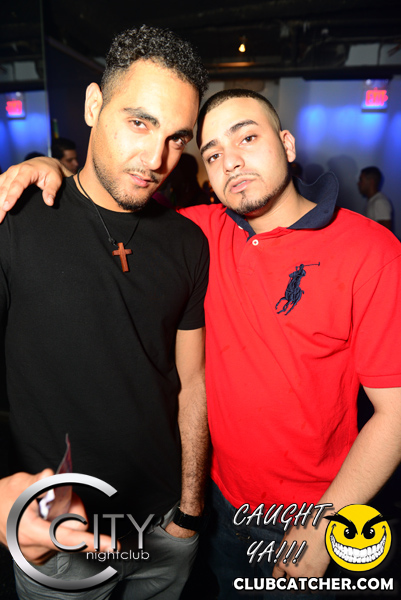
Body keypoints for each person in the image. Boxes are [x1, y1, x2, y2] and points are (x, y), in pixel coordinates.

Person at [2, 90, 401, 599]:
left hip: (315, 511)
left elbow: (395, 414)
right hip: (221, 505)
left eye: (247, 138)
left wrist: (325, 526)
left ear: (287, 144)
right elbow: (110, 202)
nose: (230, 162)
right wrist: (47, 170)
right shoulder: (201, 233)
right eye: (212, 154)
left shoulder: (372, 251)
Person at [0, 25, 210, 600]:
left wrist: (189, 512)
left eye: (177, 137)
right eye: (140, 123)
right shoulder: (17, 221)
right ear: (94, 106)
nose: (157, 159)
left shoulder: (188, 242)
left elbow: (193, 381)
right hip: (59, 532)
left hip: (161, 523)